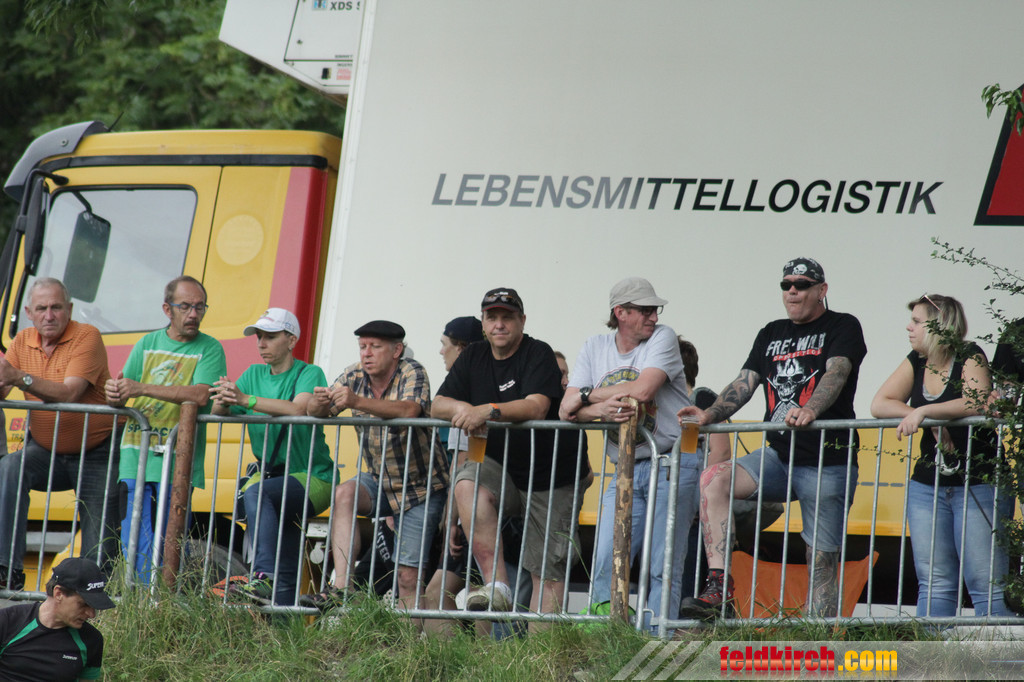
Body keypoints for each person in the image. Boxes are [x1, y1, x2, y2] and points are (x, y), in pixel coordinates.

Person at [677, 257, 866, 619]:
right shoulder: (771, 332)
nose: (792, 291)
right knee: (714, 479)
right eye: (786, 285)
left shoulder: (843, 325)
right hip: (779, 455)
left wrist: (810, 409)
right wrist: (709, 414)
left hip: (828, 460)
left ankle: (818, 635)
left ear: (821, 290)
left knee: (822, 559)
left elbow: (837, 372)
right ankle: (719, 586)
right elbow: (744, 382)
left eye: (801, 284)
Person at [432, 287, 591, 624]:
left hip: (552, 474)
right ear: (483, 323)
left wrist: (486, 410)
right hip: (502, 466)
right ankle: (498, 587)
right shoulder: (474, 355)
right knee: (466, 485)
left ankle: (541, 652)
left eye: (507, 317)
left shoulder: (538, 352)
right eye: (492, 317)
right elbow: (437, 404)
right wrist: (464, 409)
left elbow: (537, 406)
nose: (499, 324)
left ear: (522, 320)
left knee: (546, 571)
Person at [558, 277, 704, 629]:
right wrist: (600, 408)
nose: (654, 316)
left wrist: (586, 396)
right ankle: (606, 636)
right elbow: (565, 410)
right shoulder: (595, 345)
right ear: (620, 312)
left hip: (672, 462)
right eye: (645, 310)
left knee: (662, 565)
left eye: (655, 309)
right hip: (624, 467)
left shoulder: (663, 337)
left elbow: (642, 390)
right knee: (605, 559)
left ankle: (657, 640)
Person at [870, 294, 1013, 617]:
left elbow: (977, 400)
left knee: (986, 584)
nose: (909, 327)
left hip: (979, 482)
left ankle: (996, 650)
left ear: (939, 326)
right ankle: (933, 649)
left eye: (917, 321)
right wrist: (922, 416)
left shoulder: (969, 353)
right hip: (928, 484)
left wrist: (926, 412)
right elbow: (880, 403)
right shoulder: (917, 359)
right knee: (934, 582)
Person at [304, 320, 448, 609]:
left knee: (408, 577)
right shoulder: (353, 374)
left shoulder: (412, 370)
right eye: (362, 347)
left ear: (396, 350)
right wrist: (319, 402)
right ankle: (342, 586)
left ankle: (412, 637)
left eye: (375, 347)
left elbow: (409, 410)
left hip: (421, 487)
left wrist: (356, 401)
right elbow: (316, 412)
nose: (366, 353)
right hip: (379, 479)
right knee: (344, 493)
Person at [210, 308, 335, 605]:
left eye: (270, 336)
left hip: (314, 477)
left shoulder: (309, 372)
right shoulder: (253, 374)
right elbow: (218, 412)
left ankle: (262, 575)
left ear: (291, 340)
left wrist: (245, 398)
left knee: (258, 493)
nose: (261, 343)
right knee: (287, 567)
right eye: (259, 337)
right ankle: (283, 625)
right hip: (275, 480)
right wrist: (224, 397)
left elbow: (298, 409)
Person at [105, 275, 227, 580]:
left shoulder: (211, 348)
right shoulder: (147, 343)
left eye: (200, 307)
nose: (194, 314)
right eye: (185, 306)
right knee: (134, 544)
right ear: (166, 309)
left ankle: (159, 602)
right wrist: (114, 394)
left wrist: (141, 388)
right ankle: (142, 603)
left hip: (177, 462)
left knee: (166, 547)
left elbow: (201, 394)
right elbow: (123, 391)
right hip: (136, 457)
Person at [0, 278, 118, 589]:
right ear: (29, 313)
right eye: (41, 308)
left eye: (56, 307)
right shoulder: (22, 340)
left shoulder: (87, 336)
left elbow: (69, 393)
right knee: (10, 466)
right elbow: (3, 384)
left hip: (97, 452)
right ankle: (6, 569)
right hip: (45, 450)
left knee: (98, 546)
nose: (49, 315)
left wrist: (20, 378)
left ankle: (100, 599)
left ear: (70, 310)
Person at [0, 556, 115, 681]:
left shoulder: (91, 639)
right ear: (58, 594)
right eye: (84, 604)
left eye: (93, 607)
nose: (91, 614)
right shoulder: (7, 621)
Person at [439, 316, 484, 458]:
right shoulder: (479, 379)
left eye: (444, 344)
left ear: (459, 348)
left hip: (475, 467)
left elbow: (465, 458)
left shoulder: (467, 386)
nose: (441, 351)